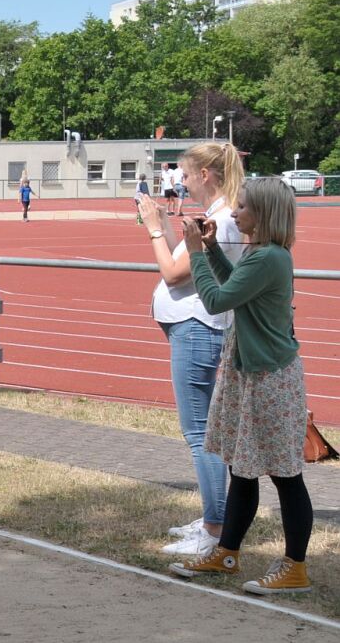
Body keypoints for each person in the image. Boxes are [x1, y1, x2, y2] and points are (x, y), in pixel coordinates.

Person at [170, 177, 314, 595]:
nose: (234, 214)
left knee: (284, 474)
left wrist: (196, 252)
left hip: (269, 378)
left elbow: (216, 300)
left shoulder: (268, 257)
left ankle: (295, 567)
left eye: (244, 207)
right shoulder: (263, 254)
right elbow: (237, 289)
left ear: (265, 214)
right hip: (251, 373)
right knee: (242, 468)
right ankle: (227, 552)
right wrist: (213, 250)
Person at [136, 143, 245, 556]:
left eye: (186, 173)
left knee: (200, 432)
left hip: (198, 328)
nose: (181, 180)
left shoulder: (221, 219)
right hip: (195, 327)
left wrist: (151, 229)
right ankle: (214, 517)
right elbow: (182, 264)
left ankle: (215, 530)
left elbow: (173, 272)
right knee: (203, 430)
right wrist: (163, 225)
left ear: (207, 174)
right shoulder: (218, 216)